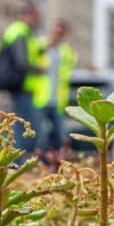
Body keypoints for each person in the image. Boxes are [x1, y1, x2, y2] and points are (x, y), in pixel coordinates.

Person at [0, 6, 44, 154]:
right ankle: (19, 160)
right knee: (24, 127)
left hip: (23, 89)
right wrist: (39, 70)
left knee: (21, 126)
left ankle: (18, 159)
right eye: (36, 17)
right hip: (21, 88)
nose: (38, 21)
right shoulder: (20, 31)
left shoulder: (25, 34)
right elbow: (22, 62)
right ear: (28, 16)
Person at [34, 18, 78, 155]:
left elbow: (70, 72)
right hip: (39, 99)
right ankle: (39, 164)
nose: (57, 33)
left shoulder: (67, 52)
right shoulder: (40, 45)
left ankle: (60, 164)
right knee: (39, 137)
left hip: (58, 100)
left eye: (61, 31)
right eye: (55, 30)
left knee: (61, 136)